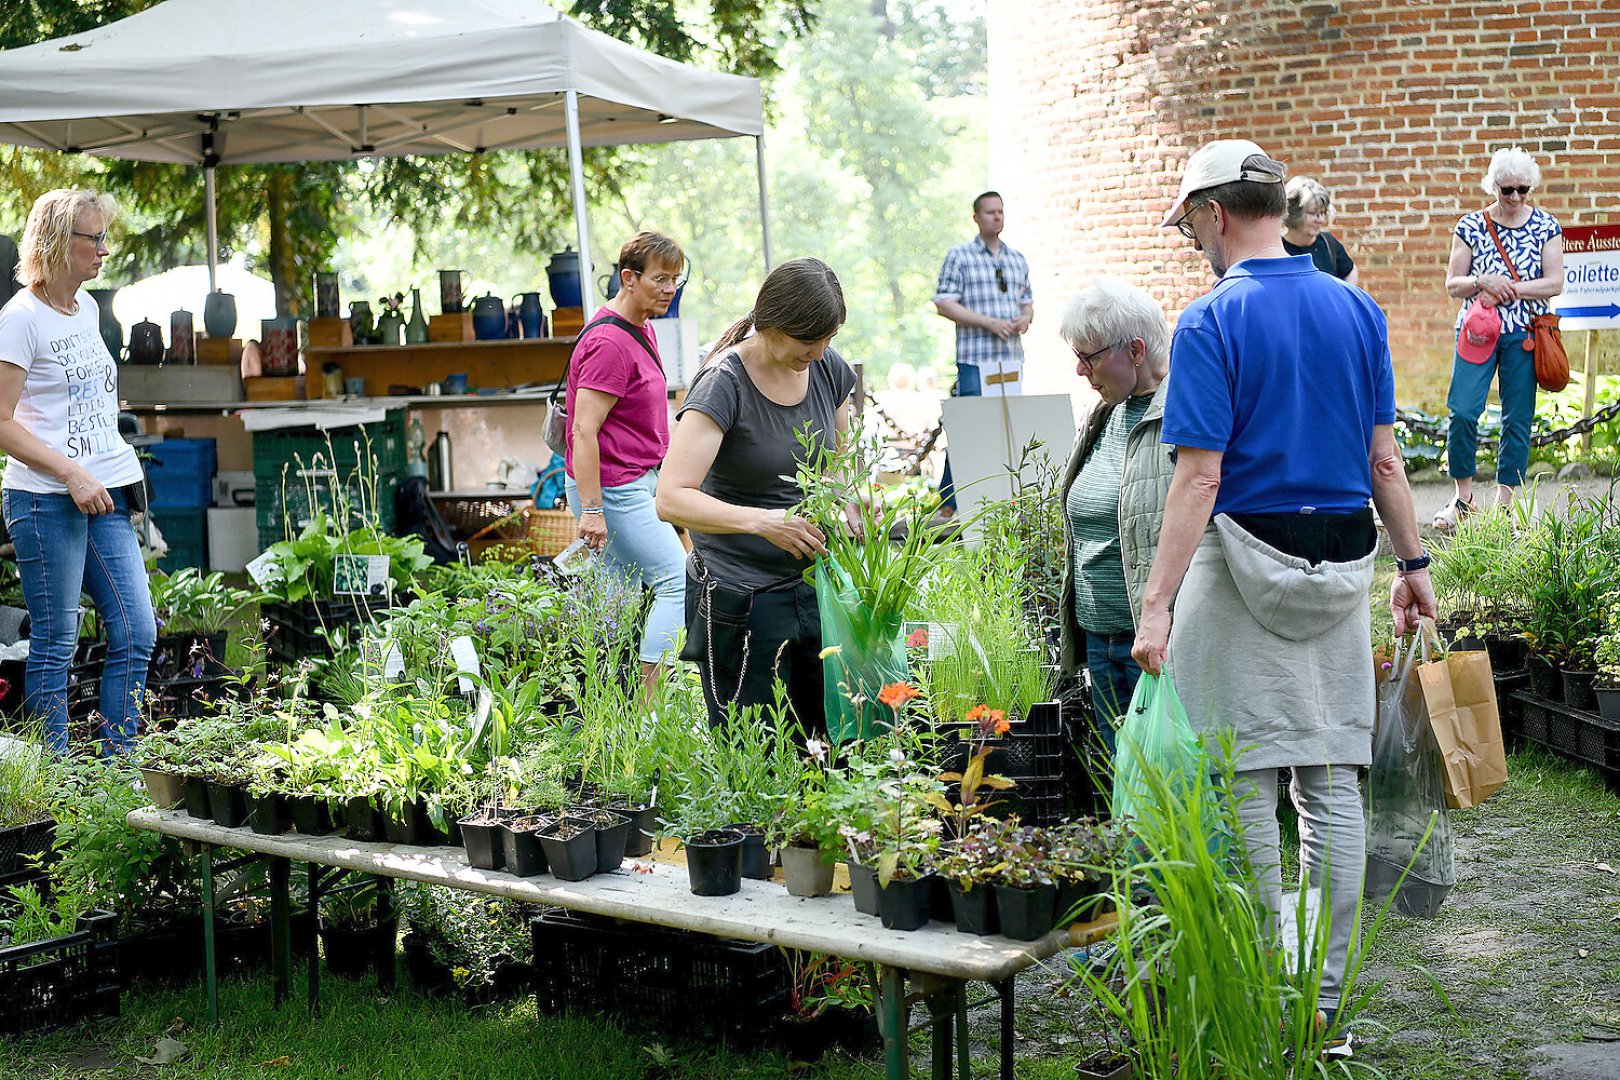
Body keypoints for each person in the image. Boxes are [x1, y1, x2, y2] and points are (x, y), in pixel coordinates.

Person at [1133, 140, 1436, 1045]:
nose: (1193, 241)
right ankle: (1327, 1007)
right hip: (1344, 562)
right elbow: (1385, 458)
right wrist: (1414, 568)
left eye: (1191, 223)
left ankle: (1264, 993)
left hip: (1239, 561)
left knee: (1246, 782)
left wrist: (1157, 603)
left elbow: (1198, 480)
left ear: (1215, 214)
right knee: (1330, 781)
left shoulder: (1207, 321)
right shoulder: (1356, 307)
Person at [656, 258, 856, 730]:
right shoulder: (725, 383)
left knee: (824, 747)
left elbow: (842, 460)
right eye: (810, 340)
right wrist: (762, 521)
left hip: (812, 591)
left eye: (829, 339)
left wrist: (848, 498)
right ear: (773, 325)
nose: (822, 350)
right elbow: (670, 497)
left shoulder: (826, 368)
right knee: (755, 753)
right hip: (740, 599)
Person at [0, 190, 154, 755]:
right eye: (96, 238)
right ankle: (58, 788)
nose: (105, 250)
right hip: (45, 500)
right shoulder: (18, 320)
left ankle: (119, 775)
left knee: (138, 630)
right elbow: (1, 421)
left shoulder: (85, 308)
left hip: (105, 490)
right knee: (56, 642)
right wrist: (71, 472)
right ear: (60, 243)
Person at [563, 231, 689, 697]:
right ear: (628, 277)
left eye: (675, 280)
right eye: (659, 279)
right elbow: (583, 431)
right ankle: (652, 707)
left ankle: (605, 706)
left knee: (616, 596)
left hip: (631, 483)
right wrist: (592, 509)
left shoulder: (642, 327)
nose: (668, 289)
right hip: (613, 489)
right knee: (678, 579)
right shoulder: (611, 343)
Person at [1055, 279, 1174, 760]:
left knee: (1166, 788)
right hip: (1100, 639)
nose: (1081, 370)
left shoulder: (1181, 416)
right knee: (1120, 789)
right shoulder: (1103, 416)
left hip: (1150, 646)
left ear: (1137, 350)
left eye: (1091, 356)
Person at [1433, 146, 1564, 529]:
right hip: (1476, 334)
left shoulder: (1546, 225)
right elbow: (1453, 284)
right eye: (1507, 190)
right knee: (1462, 411)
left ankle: (1506, 504)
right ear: (1493, 186)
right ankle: (1463, 500)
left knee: (1517, 419)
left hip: (1524, 335)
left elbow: (1555, 282)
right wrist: (1480, 281)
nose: (1516, 198)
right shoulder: (1470, 225)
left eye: (1523, 189)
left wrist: (1510, 288)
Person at [932, 191, 1034, 510]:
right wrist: (988, 323)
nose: (997, 217)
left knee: (1005, 429)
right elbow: (944, 304)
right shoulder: (959, 256)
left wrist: (1024, 319)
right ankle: (951, 502)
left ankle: (999, 497)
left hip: (1010, 360)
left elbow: (1028, 305)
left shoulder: (1017, 259)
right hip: (976, 360)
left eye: (1001, 211)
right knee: (969, 428)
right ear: (976, 217)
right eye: (990, 212)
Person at [1281, 177, 1358, 284]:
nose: (1320, 220)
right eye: (1313, 213)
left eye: (1322, 213)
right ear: (1294, 213)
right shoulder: (1278, 248)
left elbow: (1349, 272)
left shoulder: (1328, 244)